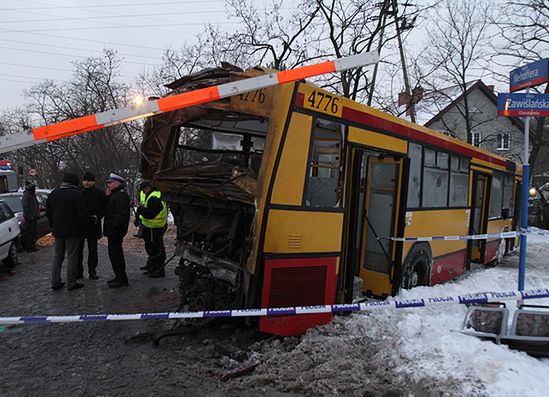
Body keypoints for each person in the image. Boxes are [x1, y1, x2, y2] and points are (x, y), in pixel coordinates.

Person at [46, 172, 87, 291]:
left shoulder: (53, 193)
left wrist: (53, 226)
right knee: (72, 257)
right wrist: (83, 229)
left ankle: (55, 281)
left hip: (58, 230)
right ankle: (71, 282)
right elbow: (81, 215)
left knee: (58, 256)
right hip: (73, 231)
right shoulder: (77, 194)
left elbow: (48, 212)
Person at [77, 171, 106, 280]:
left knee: (93, 250)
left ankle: (92, 271)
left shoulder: (99, 194)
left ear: (93, 182)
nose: (86, 183)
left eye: (89, 181)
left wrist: (97, 216)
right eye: (85, 180)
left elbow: (103, 208)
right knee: (78, 250)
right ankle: (78, 272)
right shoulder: (78, 192)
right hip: (80, 225)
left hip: (93, 225)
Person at [103, 173, 130, 288]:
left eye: (110, 182)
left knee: (116, 255)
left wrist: (114, 227)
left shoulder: (120, 196)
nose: (108, 184)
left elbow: (121, 215)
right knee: (114, 255)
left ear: (118, 183)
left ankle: (121, 279)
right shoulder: (116, 195)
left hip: (116, 232)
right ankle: (119, 276)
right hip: (114, 231)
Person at [135, 181, 168, 278]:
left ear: (148, 188)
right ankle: (153, 266)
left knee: (156, 249)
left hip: (155, 227)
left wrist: (141, 210)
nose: (143, 192)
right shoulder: (152, 195)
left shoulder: (154, 197)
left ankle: (158, 269)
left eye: (143, 190)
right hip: (150, 226)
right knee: (151, 247)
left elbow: (151, 214)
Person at [21, 181, 39, 252]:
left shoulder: (32, 194)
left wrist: (37, 214)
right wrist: (30, 216)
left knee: (33, 233)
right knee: (30, 233)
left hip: (33, 216)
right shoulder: (27, 195)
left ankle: (32, 247)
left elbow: (36, 204)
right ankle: (29, 248)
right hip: (30, 218)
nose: (34, 189)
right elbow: (25, 206)